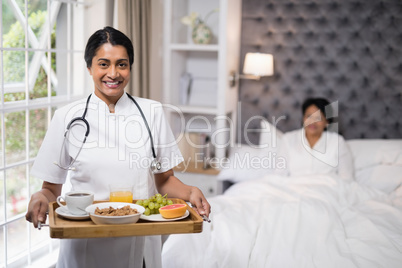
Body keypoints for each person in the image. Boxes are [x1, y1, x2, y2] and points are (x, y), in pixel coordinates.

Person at [25, 26, 211, 268]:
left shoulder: (152, 112)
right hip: (86, 247)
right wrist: (40, 197)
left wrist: (190, 192)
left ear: (130, 68)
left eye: (122, 64)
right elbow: (51, 189)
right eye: (103, 64)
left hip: (139, 245)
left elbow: (164, 180)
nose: (113, 73)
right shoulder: (66, 117)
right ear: (89, 67)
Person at [278, 97, 354, 180]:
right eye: (309, 116)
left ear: (327, 122)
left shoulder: (337, 141)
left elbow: (346, 177)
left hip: (326, 189)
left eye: (318, 118)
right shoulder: (288, 139)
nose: (312, 122)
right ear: (303, 119)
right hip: (293, 189)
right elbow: (279, 174)